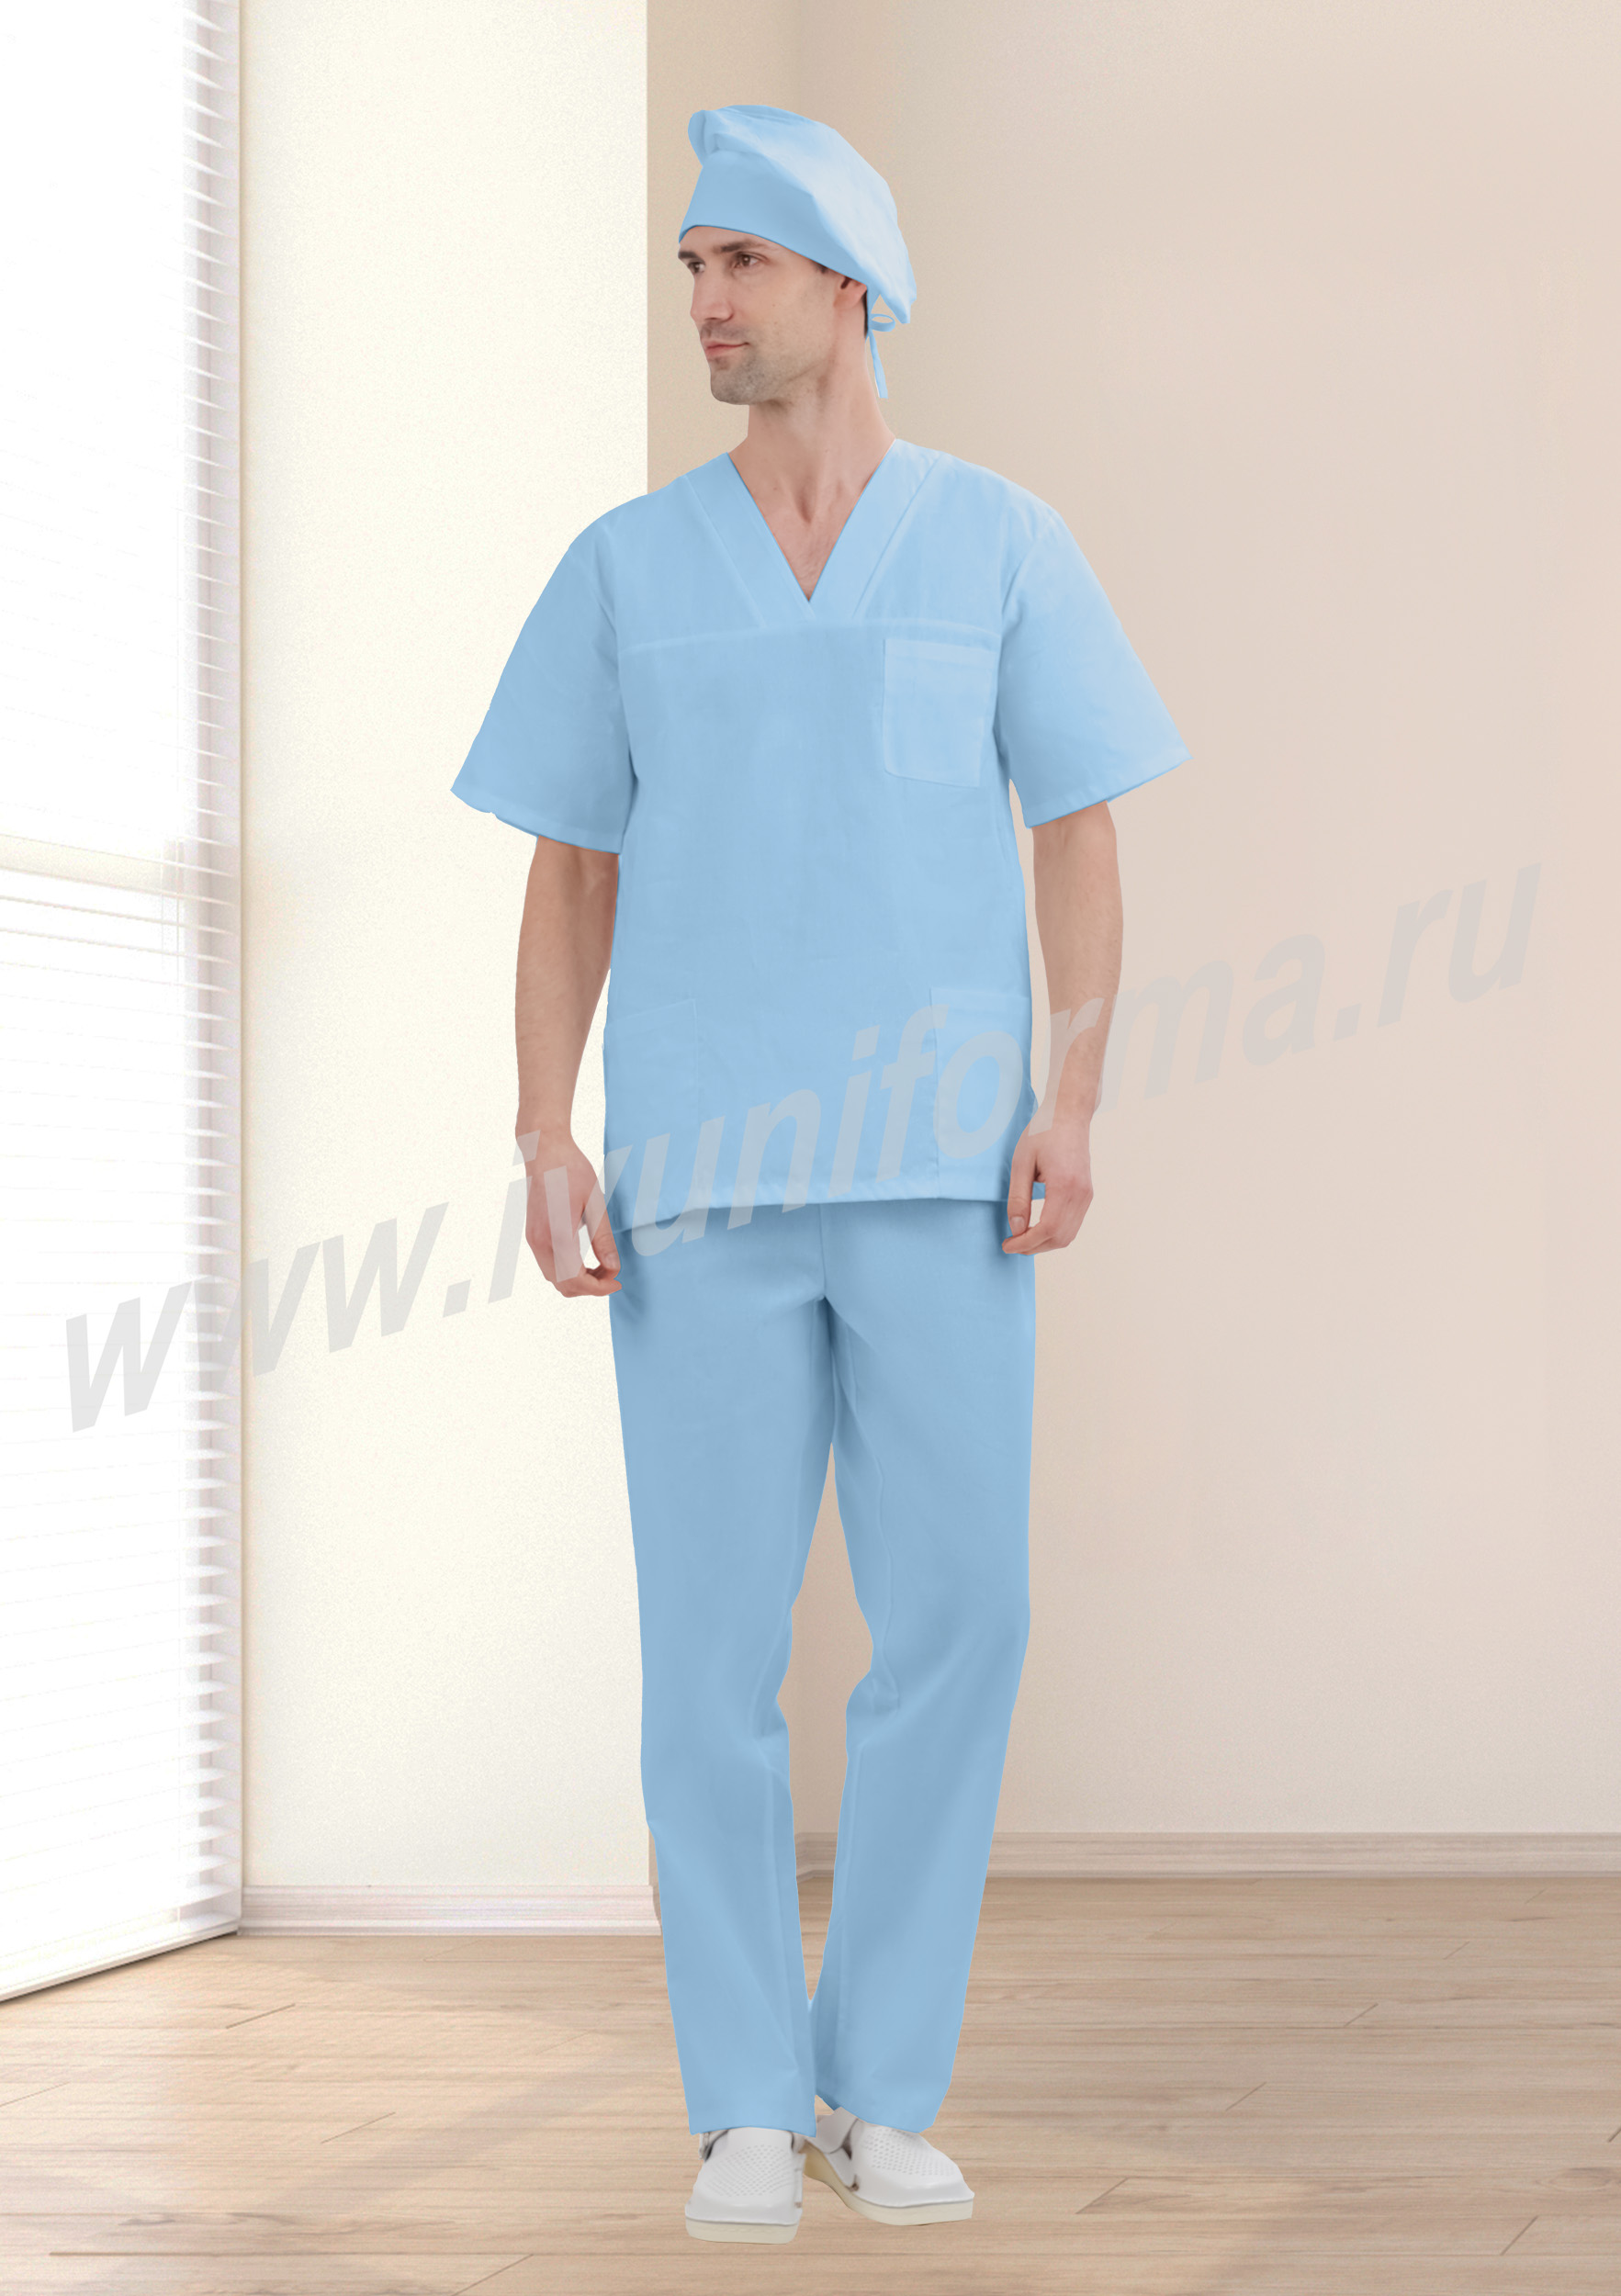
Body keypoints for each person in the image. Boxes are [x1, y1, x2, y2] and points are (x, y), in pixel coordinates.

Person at [451, 103, 1190, 2244]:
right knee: (709, 1652)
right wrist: (541, 1126)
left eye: (739, 263)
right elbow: (568, 869)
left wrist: (1072, 1096)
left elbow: (1076, 824)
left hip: (947, 1177)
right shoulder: (626, 566)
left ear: (843, 287)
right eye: (691, 264)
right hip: (701, 1183)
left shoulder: (998, 544)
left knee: (960, 1617)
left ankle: (881, 2083)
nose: (702, 299)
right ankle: (741, 2102)